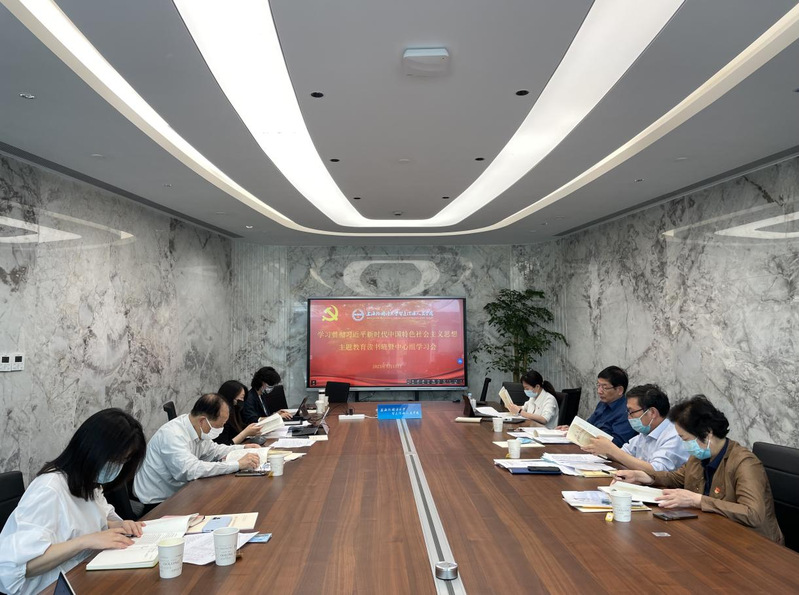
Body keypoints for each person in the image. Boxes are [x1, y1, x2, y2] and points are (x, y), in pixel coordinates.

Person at [0, 409, 147, 595]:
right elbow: (17, 567)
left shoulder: (89, 482)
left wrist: (118, 525)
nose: (117, 468)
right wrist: (85, 541)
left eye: (123, 461)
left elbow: (95, 516)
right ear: (91, 449)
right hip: (48, 589)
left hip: (81, 575)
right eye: (114, 460)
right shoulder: (49, 489)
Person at [614, 395, 784, 544]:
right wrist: (645, 477)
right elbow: (677, 477)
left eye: (685, 439)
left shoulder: (744, 463)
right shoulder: (700, 455)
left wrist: (698, 500)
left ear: (707, 434)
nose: (684, 445)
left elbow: (753, 514)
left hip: (754, 544)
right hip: (713, 532)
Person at [133, 394, 261, 507]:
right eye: (219, 426)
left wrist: (243, 448)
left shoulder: (196, 426)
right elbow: (190, 470)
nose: (221, 429)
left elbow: (214, 450)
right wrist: (237, 464)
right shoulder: (173, 435)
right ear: (202, 421)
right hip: (157, 502)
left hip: (180, 492)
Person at [582, 384, 689, 472]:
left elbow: (657, 471)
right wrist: (604, 449)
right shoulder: (646, 431)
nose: (628, 417)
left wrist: (612, 450)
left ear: (652, 412)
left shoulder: (675, 436)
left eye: (631, 412)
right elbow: (625, 453)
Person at [558, 366, 635, 447]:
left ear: (619, 390)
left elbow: (617, 443)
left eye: (604, 387)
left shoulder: (627, 411)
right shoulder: (602, 404)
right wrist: (573, 429)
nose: (599, 391)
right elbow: (588, 426)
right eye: (598, 385)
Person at [214, 380, 262, 445]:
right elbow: (224, 445)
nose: (242, 401)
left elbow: (241, 427)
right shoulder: (221, 417)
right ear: (231, 397)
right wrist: (245, 433)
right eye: (241, 397)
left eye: (243, 398)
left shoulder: (236, 411)